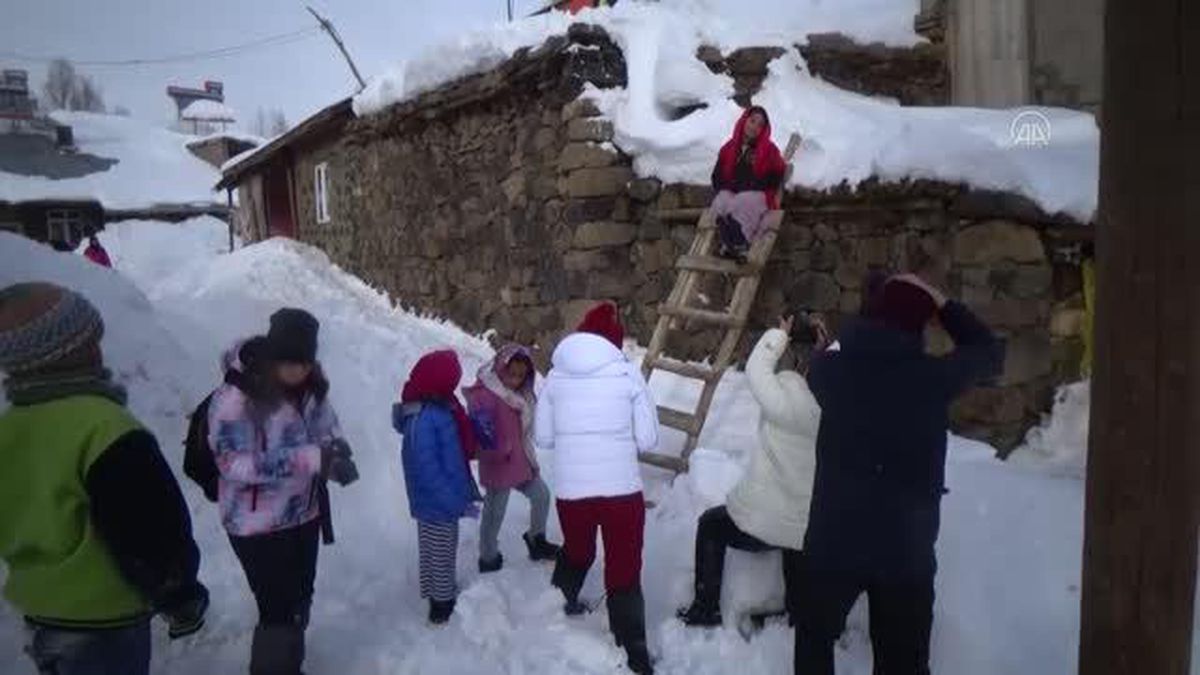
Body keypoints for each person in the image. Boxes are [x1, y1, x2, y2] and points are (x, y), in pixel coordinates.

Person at [795, 274, 1004, 675]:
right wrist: (943, 304)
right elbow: (988, 350)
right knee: (902, 662)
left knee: (814, 640)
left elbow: (831, 349)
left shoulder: (828, 371)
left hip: (833, 540)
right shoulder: (932, 379)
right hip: (904, 551)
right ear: (923, 324)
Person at [0, 283, 209, 675]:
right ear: (72, 354)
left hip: (39, 613)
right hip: (103, 620)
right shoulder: (106, 428)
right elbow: (151, 531)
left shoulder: (8, 430)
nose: (99, 349)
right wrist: (179, 594)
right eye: (91, 341)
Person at [208, 308, 358, 675]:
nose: (298, 371)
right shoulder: (235, 400)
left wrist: (336, 450)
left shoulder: (311, 389)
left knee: (299, 600)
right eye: (290, 362)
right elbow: (233, 466)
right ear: (273, 355)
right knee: (276, 610)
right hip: (255, 526)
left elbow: (327, 426)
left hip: (303, 514)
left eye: (305, 362)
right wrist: (310, 459)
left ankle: (289, 666)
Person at [677, 314, 827, 628]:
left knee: (711, 525)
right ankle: (797, 612)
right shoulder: (834, 405)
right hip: (809, 525)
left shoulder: (784, 398)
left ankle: (706, 608)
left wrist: (779, 333)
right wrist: (823, 349)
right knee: (795, 535)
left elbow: (758, 369)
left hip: (765, 525)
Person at [536, 302, 658, 675]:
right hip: (621, 492)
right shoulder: (627, 374)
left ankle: (559, 603)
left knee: (578, 548)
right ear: (614, 341)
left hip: (573, 494)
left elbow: (543, 438)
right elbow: (649, 439)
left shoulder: (555, 377)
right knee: (623, 566)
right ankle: (633, 651)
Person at [393, 350, 482, 625]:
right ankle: (441, 605)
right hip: (437, 500)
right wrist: (453, 501)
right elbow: (426, 467)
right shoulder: (426, 417)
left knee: (433, 548)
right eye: (450, 382)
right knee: (442, 550)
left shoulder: (435, 409)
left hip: (435, 499)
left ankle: (434, 591)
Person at [464, 344, 561, 573]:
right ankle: (488, 557)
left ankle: (536, 539)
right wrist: (498, 450)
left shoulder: (520, 394)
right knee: (494, 513)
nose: (516, 380)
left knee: (542, 496)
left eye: (521, 375)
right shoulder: (486, 395)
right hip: (498, 464)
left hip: (519, 461)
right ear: (500, 368)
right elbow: (479, 433)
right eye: (511, 374)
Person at [710, 106, 788, 262]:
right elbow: (716, 177)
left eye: (760, 125)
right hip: (735, 192)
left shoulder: (769, 150)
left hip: (760, 195)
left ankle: (741, 244)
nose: (755, 127)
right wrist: (729, 186)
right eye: (752, 121)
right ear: (744, 120)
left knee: (743, 200)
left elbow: (777, 175)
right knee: (722, 199)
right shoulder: (729, 148)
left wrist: (752, 184)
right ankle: (729, 243)